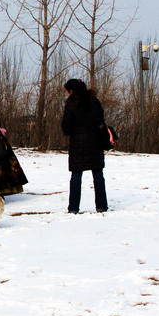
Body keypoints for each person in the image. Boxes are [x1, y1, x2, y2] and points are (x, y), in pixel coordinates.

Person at [61, 78, 108, 214]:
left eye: (67, 91)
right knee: (98, 175)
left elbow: (66, 127)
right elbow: (101, 120)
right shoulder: (94, 101)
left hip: (77, 145)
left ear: (71, 91)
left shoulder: (71, 104)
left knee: (76, 176)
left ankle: (73, 208)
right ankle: (102, 206)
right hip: (95, 143)